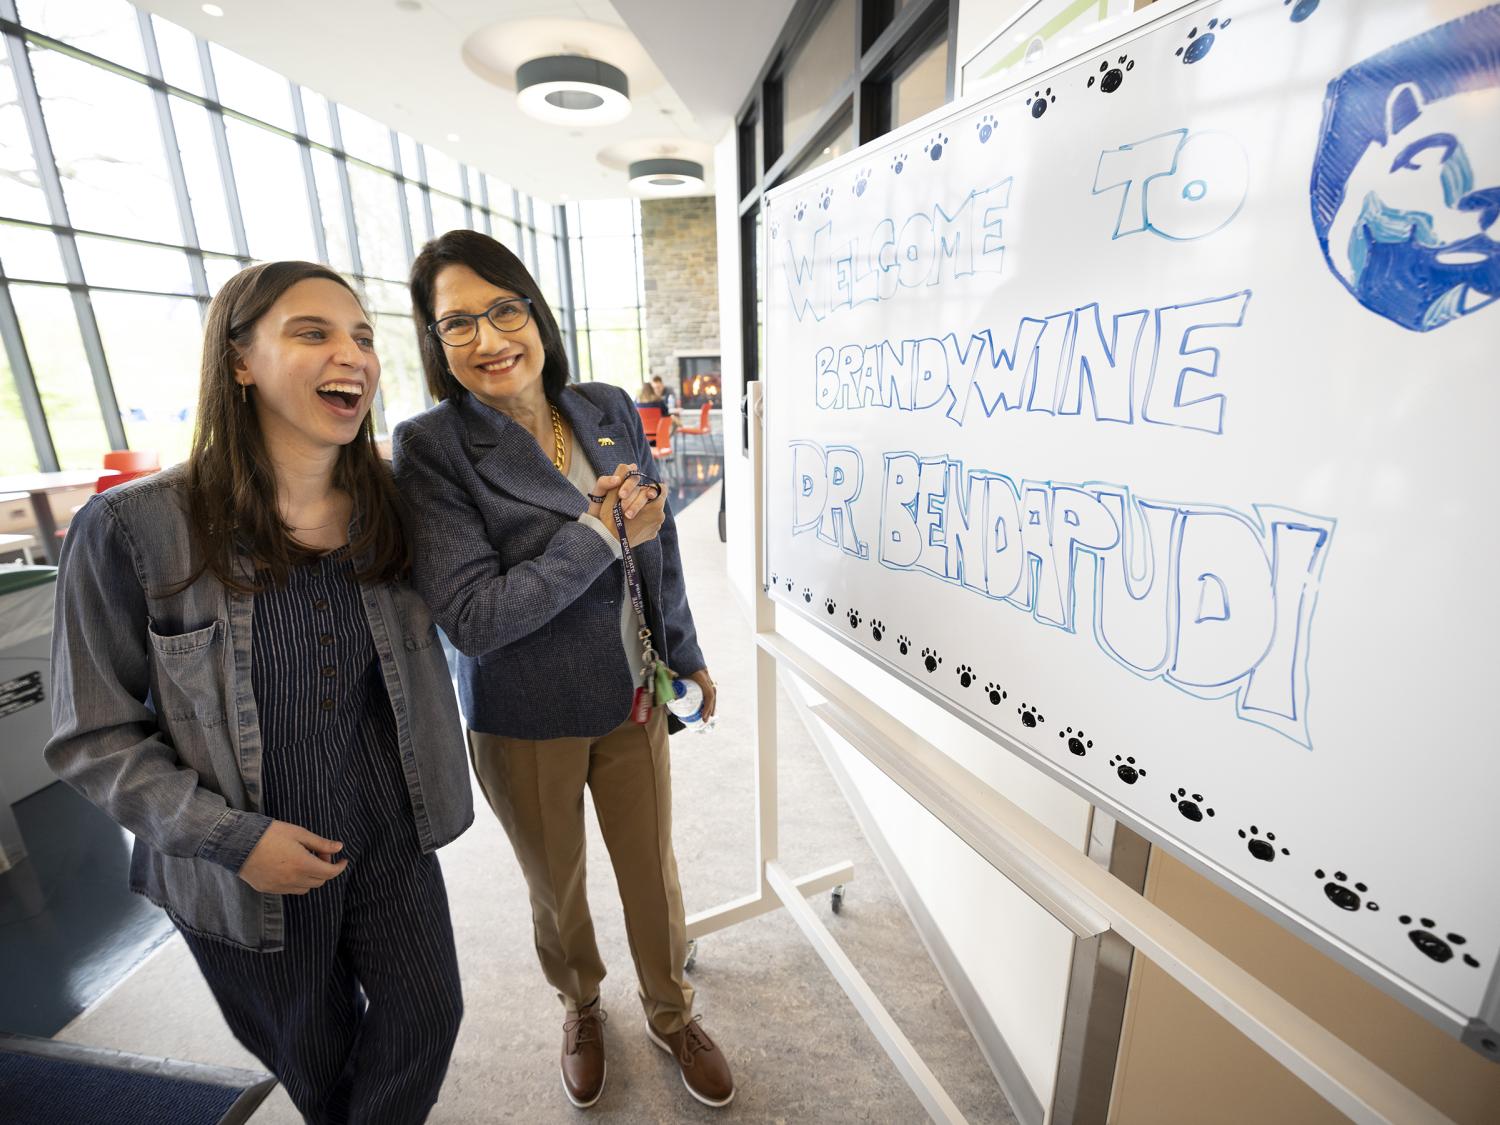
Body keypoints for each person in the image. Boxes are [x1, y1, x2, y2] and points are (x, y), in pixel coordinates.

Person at [45, 261, 472, 1125]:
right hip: (243, 869)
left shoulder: (394, 505)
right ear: (240, 360)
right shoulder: (135, 527)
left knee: (427, 1017)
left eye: (362, 336)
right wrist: (233, 838)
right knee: (314, 1063)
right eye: (312, 331)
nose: (350, 354)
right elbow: (92, 737)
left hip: (390, 827)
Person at [393, 229, 734, 1111]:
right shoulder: (431, 447)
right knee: (559, 887)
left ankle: (672, 1009)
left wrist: (686, 652)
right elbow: (473, 616)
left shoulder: (606, 406)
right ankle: (581, 1003)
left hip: (631, 697)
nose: (490, 337)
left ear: (536, 314)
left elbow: (657, 554)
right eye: (457, 323)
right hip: (523, 713)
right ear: (436, 343)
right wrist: (594, 535)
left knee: (651, 869)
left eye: (504, 308)